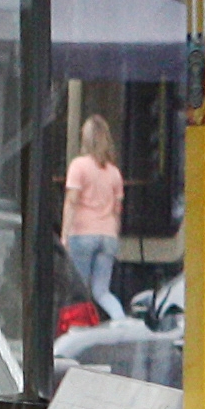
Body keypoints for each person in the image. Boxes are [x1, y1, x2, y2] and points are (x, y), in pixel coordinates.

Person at [62, 113, 127, 322]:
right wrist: (113, 236)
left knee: (78, 290)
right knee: (102, 292)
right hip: (108, 236)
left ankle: (78, 329)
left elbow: (72, 201)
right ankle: (121, 322)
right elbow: (117, 210)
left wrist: (64, 235)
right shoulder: (114, 172)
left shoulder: (78, 166)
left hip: (82, 234)